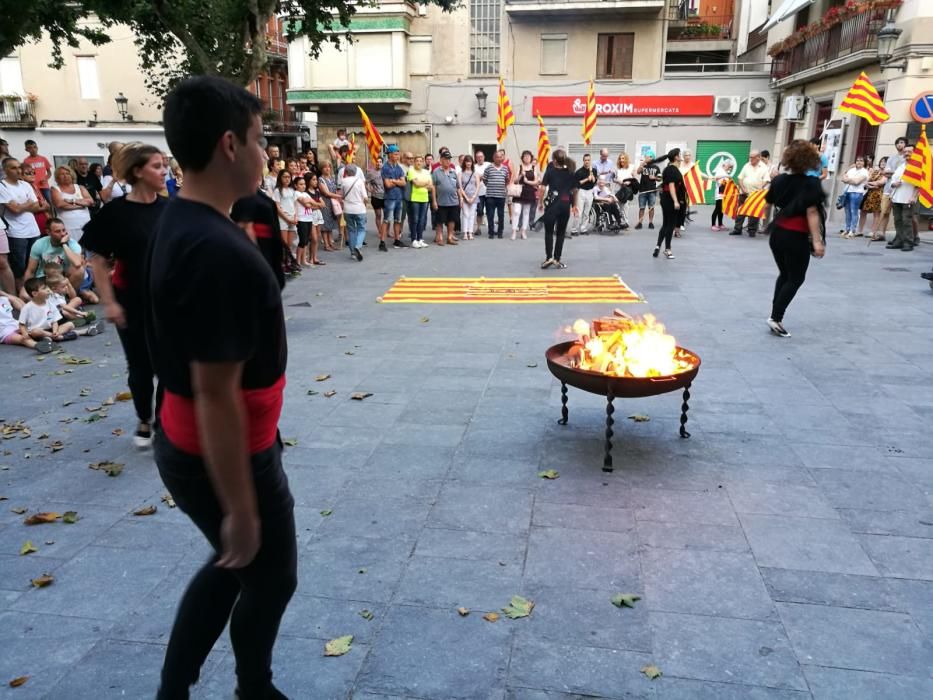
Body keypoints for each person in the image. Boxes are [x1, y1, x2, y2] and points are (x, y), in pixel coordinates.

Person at [145, 76, 297, 700]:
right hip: (218, 449)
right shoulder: (214, 249)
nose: (268, 154)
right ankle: (248, 689)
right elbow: (215, 391)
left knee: (241, 567)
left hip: (211, 441)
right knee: (264, 573)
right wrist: (238, 505)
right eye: (262, 140)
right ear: (230, 145)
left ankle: (185, 688)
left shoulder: (188, 220)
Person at [81, 142, 167, 446]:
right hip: (130, 301)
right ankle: (145, 419)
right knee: (141, 366)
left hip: (167, 303)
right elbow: (98, 258)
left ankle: (165, 424)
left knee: (170, 365)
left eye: (164, 164)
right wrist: (110, 302)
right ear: (137, 171)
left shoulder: (171, 208)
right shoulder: (116, 212)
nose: (164, 170)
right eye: (157, 166)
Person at [765, 140, 826, 337]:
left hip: (777, 234)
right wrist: (817, 241)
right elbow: (812, 212)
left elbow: (769, 204)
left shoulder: (779, 180)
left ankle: (775, 315)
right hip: (795, 235)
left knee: (785, 274)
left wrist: (766, 224)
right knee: (796, 278)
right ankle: (775, 317)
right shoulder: (811, 184)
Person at [0, 157, 44, 292]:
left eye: (19, 167)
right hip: (16, 232)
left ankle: (33, 291)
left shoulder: (25, 184)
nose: (18, 170)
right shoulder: (2, 186)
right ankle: (20, 293)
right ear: (5, 170)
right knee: (19, 266)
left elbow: (37, 206)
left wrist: (22, 206)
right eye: (13, 168)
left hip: (33, 230)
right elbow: (14, 209)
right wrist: (28, 204)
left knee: (34, 264)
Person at [231, 186, 286, 289]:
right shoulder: (246, 197)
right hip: (258, 249)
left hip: (266, 247)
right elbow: (246, 226)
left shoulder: (255, 194)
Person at [538, 149, 578, 270]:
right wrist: (574, 205)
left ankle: (548, 258)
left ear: (554, 160)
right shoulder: (571, 173)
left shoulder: (550, 172)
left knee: (549, 232)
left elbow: (542, 188)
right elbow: (575, 191)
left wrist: (540, 202)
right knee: (561, 233)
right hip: (565, 203)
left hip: (552, 204)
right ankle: (557, 258)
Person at [22, 217, 86, 292]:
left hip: (63, 278)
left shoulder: (73, 244)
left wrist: (64, 244)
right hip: (44, 278)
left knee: (80, 270)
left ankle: (65, 297)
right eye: (57, 231)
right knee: (24, 295)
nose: (62, 234)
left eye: (63, 230)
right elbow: (30, 270)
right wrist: (26, 288)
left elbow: (77, 264)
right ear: (48, 232)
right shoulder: (39, 243)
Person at [19, 277, 78, 342]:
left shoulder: (50, 304)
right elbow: (22, 324)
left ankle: (50, 337)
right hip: (39, 331)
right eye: (44, 288)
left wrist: (55, 331)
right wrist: (24, 334)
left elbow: (54, 321)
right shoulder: (27, 307)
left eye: (47, 287)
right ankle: (61, 337)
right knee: (35, 332)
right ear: (35, 293)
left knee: (70, 324)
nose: (48, 290)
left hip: (50, 329)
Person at [653, 149, 685, 260]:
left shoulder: (668, 169)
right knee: (670, 225)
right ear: (676, 157)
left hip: (666, 199)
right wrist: (676, 201)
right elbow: (671, 186)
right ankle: (667, 249)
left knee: (666, 224)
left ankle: (657, 247)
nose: (681, 156)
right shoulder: (672, 170)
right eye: (680, 155)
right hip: (670, 200)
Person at [730, 151, 771, 237]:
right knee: (740, 211)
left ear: (758, 157)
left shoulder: (763, 167)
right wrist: (743, 188)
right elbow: (740, 178)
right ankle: (737, 229)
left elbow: (766, 180)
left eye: (752, 157)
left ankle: (752, 230)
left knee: (753, 212)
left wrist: (760, 188)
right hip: (744, 193)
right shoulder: (746, 165)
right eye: (750, 157)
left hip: (755, 195)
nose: (750, 159)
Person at [887, 145, 917, 252]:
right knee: (898, 221)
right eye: (905, 151)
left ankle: (908, 242)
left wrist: (914, 196)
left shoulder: (917, 167)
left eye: (909, 151)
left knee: (906, 221)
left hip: (908, 199)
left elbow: (920, 185)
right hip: (896, 197)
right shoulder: (901, 166)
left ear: (914, 153)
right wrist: (894, 184)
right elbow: (892, 181)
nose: (907, 153)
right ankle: (899, 240)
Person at [51, 166, 94, 242]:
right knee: (73, 249)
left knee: (88, 249)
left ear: (72, 175)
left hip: (85, 224)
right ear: (57, 177)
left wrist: (72, 201)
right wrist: (82, 204)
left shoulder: (80, 187)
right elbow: (60, 204)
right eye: (62, 174)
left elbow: (90, 201)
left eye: (67, 173)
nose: (65, 176)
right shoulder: (54, 189)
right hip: (68, 227)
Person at [379, 146, 406, 251]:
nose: (397, 156)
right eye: (395, 154)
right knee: (386, 220)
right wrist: (397, 181)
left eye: (398, 154)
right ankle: (382, 242)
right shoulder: (385, 167)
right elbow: (387, 185)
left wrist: (393, 181)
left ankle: (397, 240)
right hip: (390, 198)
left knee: (397, 220)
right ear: (389, 154)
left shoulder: (399, 167)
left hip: (399, 197)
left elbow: (404, 183)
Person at [431, 148, 460, 246]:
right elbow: (433, 187)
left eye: (449, 159)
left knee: (452, 220)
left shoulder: (454, 172)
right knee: (439, 221)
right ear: (441, 160)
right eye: (446, 159)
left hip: (453, 201)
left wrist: (461, 200)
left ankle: (450, 237)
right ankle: (439, 237)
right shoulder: (436, 172)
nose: (448, 161)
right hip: (441, 201)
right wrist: (434, 201)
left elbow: (458, 187)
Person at [340, 163, 368, 261]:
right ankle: (358, 246)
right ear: (355, 172)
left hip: (348, 209)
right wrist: (365, 205)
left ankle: (352, 252)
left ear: (346, 172)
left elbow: (341, 195)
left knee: (351, 230)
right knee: (361, 229)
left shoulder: (343, 181)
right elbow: (365, 197)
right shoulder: (359, 181)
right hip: (359, 208)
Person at [510, 150, 539, 241]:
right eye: (525, 156)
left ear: (531, 158)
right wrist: (520, 176)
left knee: (526, 212)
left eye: (528, 156)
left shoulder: (534, 168)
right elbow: (515, 181)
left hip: (529, 191)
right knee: (516, 211)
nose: (527, 158)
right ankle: (514, 231)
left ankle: (523, 231)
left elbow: (536, 181)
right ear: (522, 158)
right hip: (519, 192)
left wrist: (527, 181)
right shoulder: (519, 167)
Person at [407, 155, 433, 248]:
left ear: (423, 162)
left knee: (422, 220)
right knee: (415, 220)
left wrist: (422, 183)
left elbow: (430, 186)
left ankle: (420, 239)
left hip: (424, 198)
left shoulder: (426, 172)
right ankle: (414, 239)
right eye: (417, 161)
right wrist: (425, 183)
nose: (419, 162)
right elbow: (416, 184)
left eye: (420, 161)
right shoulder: (411, 171)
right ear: (414, 162)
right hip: (415, 198)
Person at [299, 172, 325, 265]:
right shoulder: (306, 193)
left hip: (318, 215)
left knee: (317, 237)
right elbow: (308, 205)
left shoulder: (317, 192)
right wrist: (317, 205)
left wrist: (315, 205)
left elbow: (323, 204)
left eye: (316, 179)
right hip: (309, 216)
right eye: (313, 180)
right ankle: (309, 258)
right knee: (313, 238)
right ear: (308, 181)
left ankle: (314, 257)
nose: (315, 181)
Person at [839, 156, 868, 238]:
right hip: (847, 192)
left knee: (854, 211)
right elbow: (843, 178)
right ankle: (847, 229)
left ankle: (852, 230)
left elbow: (857, 182)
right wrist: (851, 180)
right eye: (857, 160)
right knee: (847, 212)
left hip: (857, 193)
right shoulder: (851, 170)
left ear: (864, 163)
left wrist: (848, 180)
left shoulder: (864, 172)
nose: (859, 162)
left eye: (861, 160)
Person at [272, 170, 298, 259]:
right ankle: (283, 263)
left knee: (290, 243)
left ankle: (289, 262)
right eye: (285, 177)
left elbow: (295, 205)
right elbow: (277, 207)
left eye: (289, 177)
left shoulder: (292, 190)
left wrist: (295, 217)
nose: (287, 179)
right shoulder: (277, 191)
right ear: (280, 178)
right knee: (284, 243)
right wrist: (287, 219)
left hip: (292, 217)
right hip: (283, 218)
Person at [483, 151, 509, 239]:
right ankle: (491, 232)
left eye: (500, 157)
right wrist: (490, 185)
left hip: (501, 196)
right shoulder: (488, 168)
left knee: (501, 215)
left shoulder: (505, 168)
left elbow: (507, 180)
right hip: (490, 196)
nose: (499, 159)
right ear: (493, 158)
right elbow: (484, 179)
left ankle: (500, 232)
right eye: (497, 157)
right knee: (490, 215)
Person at [859, 156, 886, 240]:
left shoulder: (887, 173)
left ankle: (873, 231)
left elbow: (881, 183)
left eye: (884, 162)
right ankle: (860, 230)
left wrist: (871, 184)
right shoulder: (875, 171)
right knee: (863, 211)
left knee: (876, 213)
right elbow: (867, 181)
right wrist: (871, 184)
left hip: (878, 194)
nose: (882, 163)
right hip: (869, 194)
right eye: (881, 162)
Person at [571, 154, 598, 236]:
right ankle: (574, 229)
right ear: (583, 161)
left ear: (590, 161)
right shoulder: (579, 172)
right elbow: (577, 183)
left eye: (588, 160)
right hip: (581, 192)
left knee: (587, 212)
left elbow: (594, 181)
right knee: (579, 212)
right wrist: (586, 179)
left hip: (590, 191)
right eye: (585, 160)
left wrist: (591, 173)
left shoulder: (593, 170)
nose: (587, 162)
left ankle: (583, 228)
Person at [20, 163, 51, 235]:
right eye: (28, 173)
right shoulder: (22, 188)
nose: (32, 174)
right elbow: (33, 208)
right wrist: (44, 206)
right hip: (33, 221)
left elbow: (46, 205)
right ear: (20, 175)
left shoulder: (34, 186)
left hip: (44, 220)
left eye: (33, 172)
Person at [317, 162, 341, 252]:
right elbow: (326, 193)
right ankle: (326, 245)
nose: (327, 169)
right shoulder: (320, 179)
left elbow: (335, 190)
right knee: (325, 225)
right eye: (325, 167)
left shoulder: (332, 178)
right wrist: (339, 196)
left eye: (329, 167)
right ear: (321, 169)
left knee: (330, 223)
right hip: (325, 202)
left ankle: (331, 243)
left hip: (332, 203)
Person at [292, 175, 313, 268]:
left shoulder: (306, 194)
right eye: (301, 184)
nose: (303, 186)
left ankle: (304, 260)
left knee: (306, 240)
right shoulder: (296, 193)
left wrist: (310, 203)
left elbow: (313, 204)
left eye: (304, 184)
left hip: (309, 218)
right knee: (302, 240)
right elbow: (307, 204)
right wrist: (310, 203)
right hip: (301, 219)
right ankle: (298, 261)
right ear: (296, 185)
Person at [635, 155, 660, 229]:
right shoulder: (643, 166)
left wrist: (654, 177)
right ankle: (640, 222)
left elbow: (660, 178)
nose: (647, 158)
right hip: (643, 190)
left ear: (652, 158)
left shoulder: (656, 167)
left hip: (652, 190)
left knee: (651, 207)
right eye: (646, 157)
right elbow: (638, 172)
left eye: (648, 157)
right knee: (641, 207)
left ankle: (650, 222)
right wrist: (642, 164)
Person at [458, 155, 479, 241]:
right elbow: (460, 187)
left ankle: (470, 232)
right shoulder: (460, 173)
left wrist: (474, 196)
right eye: (467, 161)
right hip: (465, 196)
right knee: (466, 214)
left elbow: (477, 186)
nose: (468, 163)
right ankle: (465, 233)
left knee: (472, 215)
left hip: (474, 196)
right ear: (464, 163)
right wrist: (466, 198)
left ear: (472, 163)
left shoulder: (475, 173)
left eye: (470, 161)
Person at [614, 152, 636, 230]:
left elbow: (634, 179)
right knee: (619, 207)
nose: (621, 160)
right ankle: (619, 222)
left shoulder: (631, 167)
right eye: (620, 159)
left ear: (626, 159)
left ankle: (626, 222)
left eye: (623, 158)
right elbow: (613, 179)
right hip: (618, 189)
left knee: (625, 207)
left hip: (627, 190)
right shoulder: (617, 169)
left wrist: (628, 182)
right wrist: (618, 181)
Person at [366, 155, 385, 244]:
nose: (378, 163)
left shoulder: (385, 171)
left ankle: (385, 231)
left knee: (387, 215)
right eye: (377, 162)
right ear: (375, 163)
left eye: (380, 162)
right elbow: (366, 183)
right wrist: (369, 189)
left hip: (386, 196)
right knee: (378, 215)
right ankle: (380, 231)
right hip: (376, 196)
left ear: (382, 163)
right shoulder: (371, 173)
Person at [710, 161, 734, 231]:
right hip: (719, 194)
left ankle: (720, 224)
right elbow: (716, 178)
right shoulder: (720, 170)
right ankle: (713, 225)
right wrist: (726, 176)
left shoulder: (726, 172)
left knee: (721, 209)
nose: (730, 168)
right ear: (725, 165)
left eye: (731, 167)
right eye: (729, 166)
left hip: (724, 194)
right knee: (717, 209)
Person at [473, 150, 489, 236]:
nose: (480, 158)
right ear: (476, 158)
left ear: (484, 157)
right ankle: (478, 228)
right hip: (479, 193)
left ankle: (491, 228)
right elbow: (474, 178)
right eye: (478, 157)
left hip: (489, 192)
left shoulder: (489, 165)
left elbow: (489, 176)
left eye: (481, 156)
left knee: (490, 211)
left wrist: (480, 176)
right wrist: (482, 176)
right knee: (479, 211)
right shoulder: (474, 167)